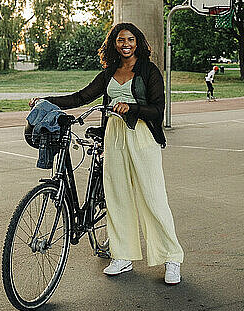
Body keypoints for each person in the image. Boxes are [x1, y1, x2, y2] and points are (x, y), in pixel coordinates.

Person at [29, 23, 184, 285]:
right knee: (117, 197)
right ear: (114, 43)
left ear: (138, 42)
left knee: (153, 197)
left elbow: (159, 109)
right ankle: (122, 256)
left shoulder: (148, 71)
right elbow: (81, 97)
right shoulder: (110, 72)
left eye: (131, 39)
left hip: (142, 137)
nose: (126, 43)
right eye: (121, 39)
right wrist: (47, 100)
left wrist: (132, 107)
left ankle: (172, 259)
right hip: (114, 137)